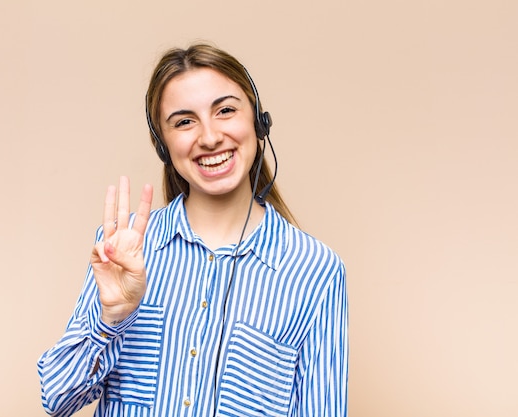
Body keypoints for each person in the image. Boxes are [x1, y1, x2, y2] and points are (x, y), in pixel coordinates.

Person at [38, 43, 348, 417]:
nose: (210, 137)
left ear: (258, 122)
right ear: (163, 146)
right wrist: (111, 318)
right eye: (184, 121)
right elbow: (56, 400)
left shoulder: (316, 271)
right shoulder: (124, 252)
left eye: (226, 111)